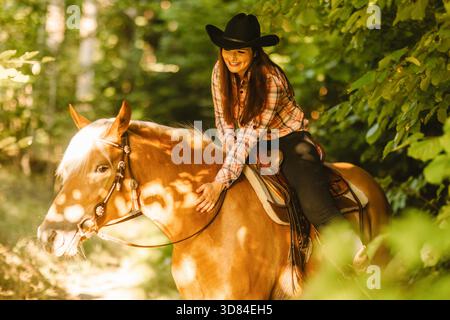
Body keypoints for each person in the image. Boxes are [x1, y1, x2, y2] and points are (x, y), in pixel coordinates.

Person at [196, 13, 368, 269]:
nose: (232, 57)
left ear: (254, 53)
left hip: (287, 139)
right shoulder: (219, 72)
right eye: (227, 50)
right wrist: (229, 152)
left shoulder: (270, 81)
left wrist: (220, 182)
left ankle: (353, 250)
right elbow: (224, 121)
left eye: (240, 52)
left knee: (312, 200)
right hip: (248, 142)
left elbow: (251, 133)